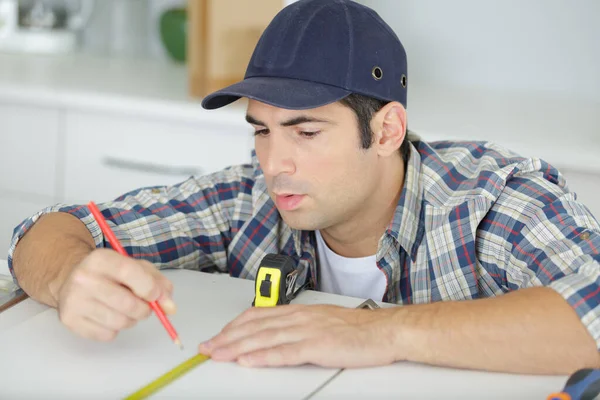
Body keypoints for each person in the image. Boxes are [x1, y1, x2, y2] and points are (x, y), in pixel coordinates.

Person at [7, 0, 600, 375]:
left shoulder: (492, 201)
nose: (274, 162)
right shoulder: (247, 200)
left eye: (306, 130)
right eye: (261, 130)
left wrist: (380, 331)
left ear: (387, 129)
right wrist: (68, 277)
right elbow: (51, 229)